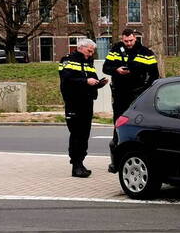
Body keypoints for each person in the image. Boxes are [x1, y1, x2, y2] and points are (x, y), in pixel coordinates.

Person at [102, 28, 160, 173]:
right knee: (118, 123)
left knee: (137, 123)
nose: (128, 43)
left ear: (135, 38)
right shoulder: (115, 50)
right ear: (122, 39)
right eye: (126, 41)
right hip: (120, 93)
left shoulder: (145, 52)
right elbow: (105, 68)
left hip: (137, 94)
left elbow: (154, 74)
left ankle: (136, 156)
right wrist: (116, 70)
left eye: (131, 40)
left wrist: (145, 89)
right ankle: (115, 162)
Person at [59, 38, 107, 178]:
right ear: (80, 48)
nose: (91, 54)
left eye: (92, 52)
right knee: (76, 134)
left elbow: (92, 80)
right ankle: (76, 165)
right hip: (74, 102)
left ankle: (81, 162)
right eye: (89, 51)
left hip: (87, 102)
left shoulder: (88, 62)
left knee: (85, 134)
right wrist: (85, 81)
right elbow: (66, 80)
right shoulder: (67, 60)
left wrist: (99, 83)